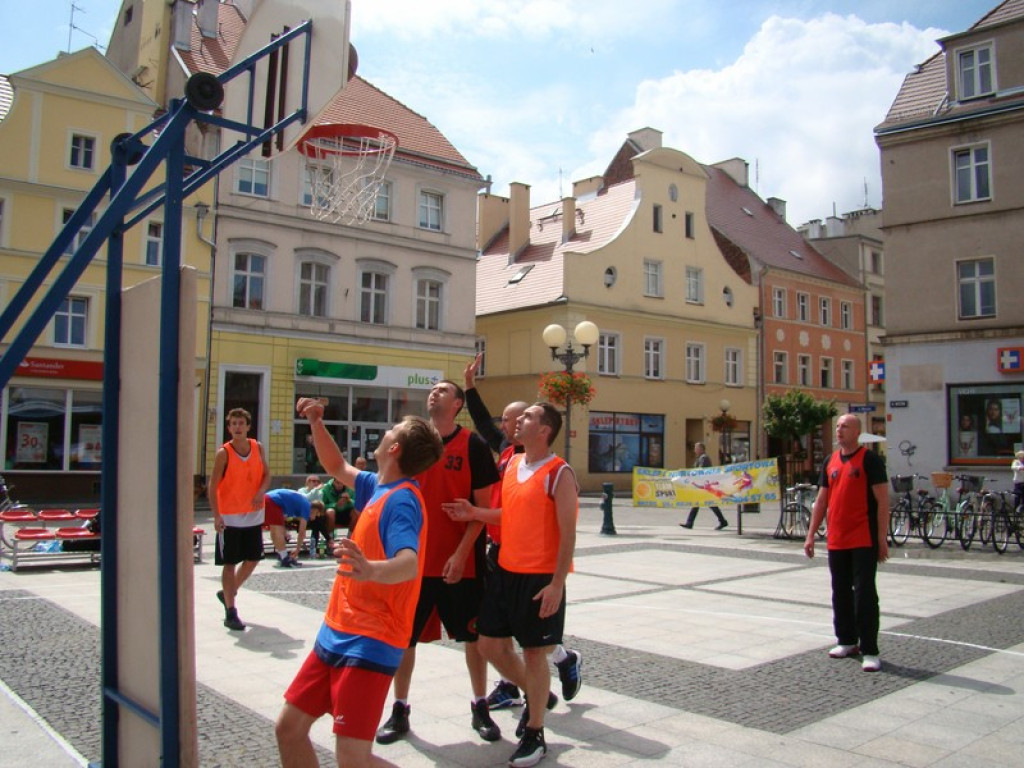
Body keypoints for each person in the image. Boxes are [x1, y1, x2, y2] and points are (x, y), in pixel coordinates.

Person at [276, 399, 443, 768]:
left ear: (394, 449)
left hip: (371, 639)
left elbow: (409, 563)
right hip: (335, 631)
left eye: (391, 430)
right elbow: (336, 466)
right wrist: (316, 423)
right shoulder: (376, 485)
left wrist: (369, 569)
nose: (384, 433)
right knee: (289, 729)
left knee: (353, 759)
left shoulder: (402, 501)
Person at [443, 402, 580, 767]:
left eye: (528, 417)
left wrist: (556, 584)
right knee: (489, 644)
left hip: (539, 578)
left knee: (535, 652)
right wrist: (475, 513)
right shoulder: (514, 464)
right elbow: (511, 514)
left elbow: (569, 534)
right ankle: (538, 696)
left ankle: (535, 733)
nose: (518, 420)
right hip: (505, 571)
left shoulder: (559, 473)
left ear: (544, 430)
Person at [375, 380, 502, 746]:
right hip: (411, 563)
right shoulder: (414, 444)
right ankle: (400, 709)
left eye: (443, 390)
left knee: (472, 638)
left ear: (458, 404)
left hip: (459, 563)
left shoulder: (473, 446)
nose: (434, 393)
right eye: (431, 389)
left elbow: (479, 510)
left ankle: (480, 706)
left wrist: (461, 554)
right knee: (404, 639)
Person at [463, 354, 583, 710]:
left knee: (530, 636)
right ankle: (530, 683)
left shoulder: (551, 468)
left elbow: (567, 531)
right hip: (502, 549)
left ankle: (552, 669)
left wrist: (558, 580)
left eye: (513, 418)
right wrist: (470, 386)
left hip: (532, 560)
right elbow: (482, 421)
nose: (505, 424)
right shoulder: (509, 455)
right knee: (500, 631)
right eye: (507, 420)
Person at [804, 414, 889, 672]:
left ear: (857, 432)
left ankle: (870, 649)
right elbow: (821, 500)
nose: (840, 430)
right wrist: (811, 534)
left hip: (863, 537)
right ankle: (846, 640)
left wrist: (881, 538)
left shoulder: (870, 460)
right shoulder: (830, 461)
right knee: (839, 591)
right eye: (838, 426)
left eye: (845, 427)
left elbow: (883, 501)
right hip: (837, 538)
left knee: (864, 594)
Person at [208, 407, 271, 631]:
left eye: (240, 423)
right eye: (233, 424)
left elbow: (266, 474)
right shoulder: (223, 453)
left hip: (253, 513)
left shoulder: (257, 447)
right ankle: (230, 611)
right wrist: (216, 516)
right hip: (230, 516)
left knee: (253, 558)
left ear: (248, 426)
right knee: (229, 563)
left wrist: (261, 491)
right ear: (228, 428)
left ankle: (228, 591)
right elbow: (212, 485)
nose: (237, 427)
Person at [679, 442, 728, 530]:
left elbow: (700, 471)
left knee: (709, 504)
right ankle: (690, 523)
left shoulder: (704, 458)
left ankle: (722, 521)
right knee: (700, 503)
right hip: (702, 485)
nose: (695, 450)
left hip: (704, 485)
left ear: (701, 449)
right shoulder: (700, 458)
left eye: (696, 448)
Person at [265, 488, 312, 567]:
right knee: (277, 531)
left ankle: (281, 554)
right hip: (273, 500)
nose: (312, 518)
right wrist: (298, 549)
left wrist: (285, 532)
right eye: (315, 516)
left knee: (275, 530)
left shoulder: (299, 503)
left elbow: (281, 520)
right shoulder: (307, 507)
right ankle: (285, 559)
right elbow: (302, 532)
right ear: (316, 511)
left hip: (268, 498)